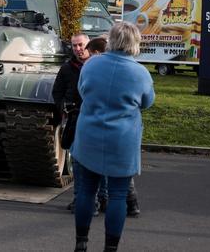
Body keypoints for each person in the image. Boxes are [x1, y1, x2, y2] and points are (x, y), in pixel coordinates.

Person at [72, 22, 155, 252]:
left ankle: (81, 242)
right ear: (134, 43)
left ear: (112, 39)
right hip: (122, 140)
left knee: (86, 191)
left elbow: (82, 90)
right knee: (118, 196)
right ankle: (110, 248)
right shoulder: (140, 73)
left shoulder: (91, 64)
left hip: (89, 135)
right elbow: (147, 102)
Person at [52, 32, 89, 212]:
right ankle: (78, 199)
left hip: (92, 118)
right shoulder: (67, 68)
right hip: (74, 118)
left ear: (88, 44)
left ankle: (100, 199)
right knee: (76, 161)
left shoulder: (96, 66)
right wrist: (63, 108)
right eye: (74, 46)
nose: (78, 49)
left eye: (81, 45)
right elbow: (57, 92)